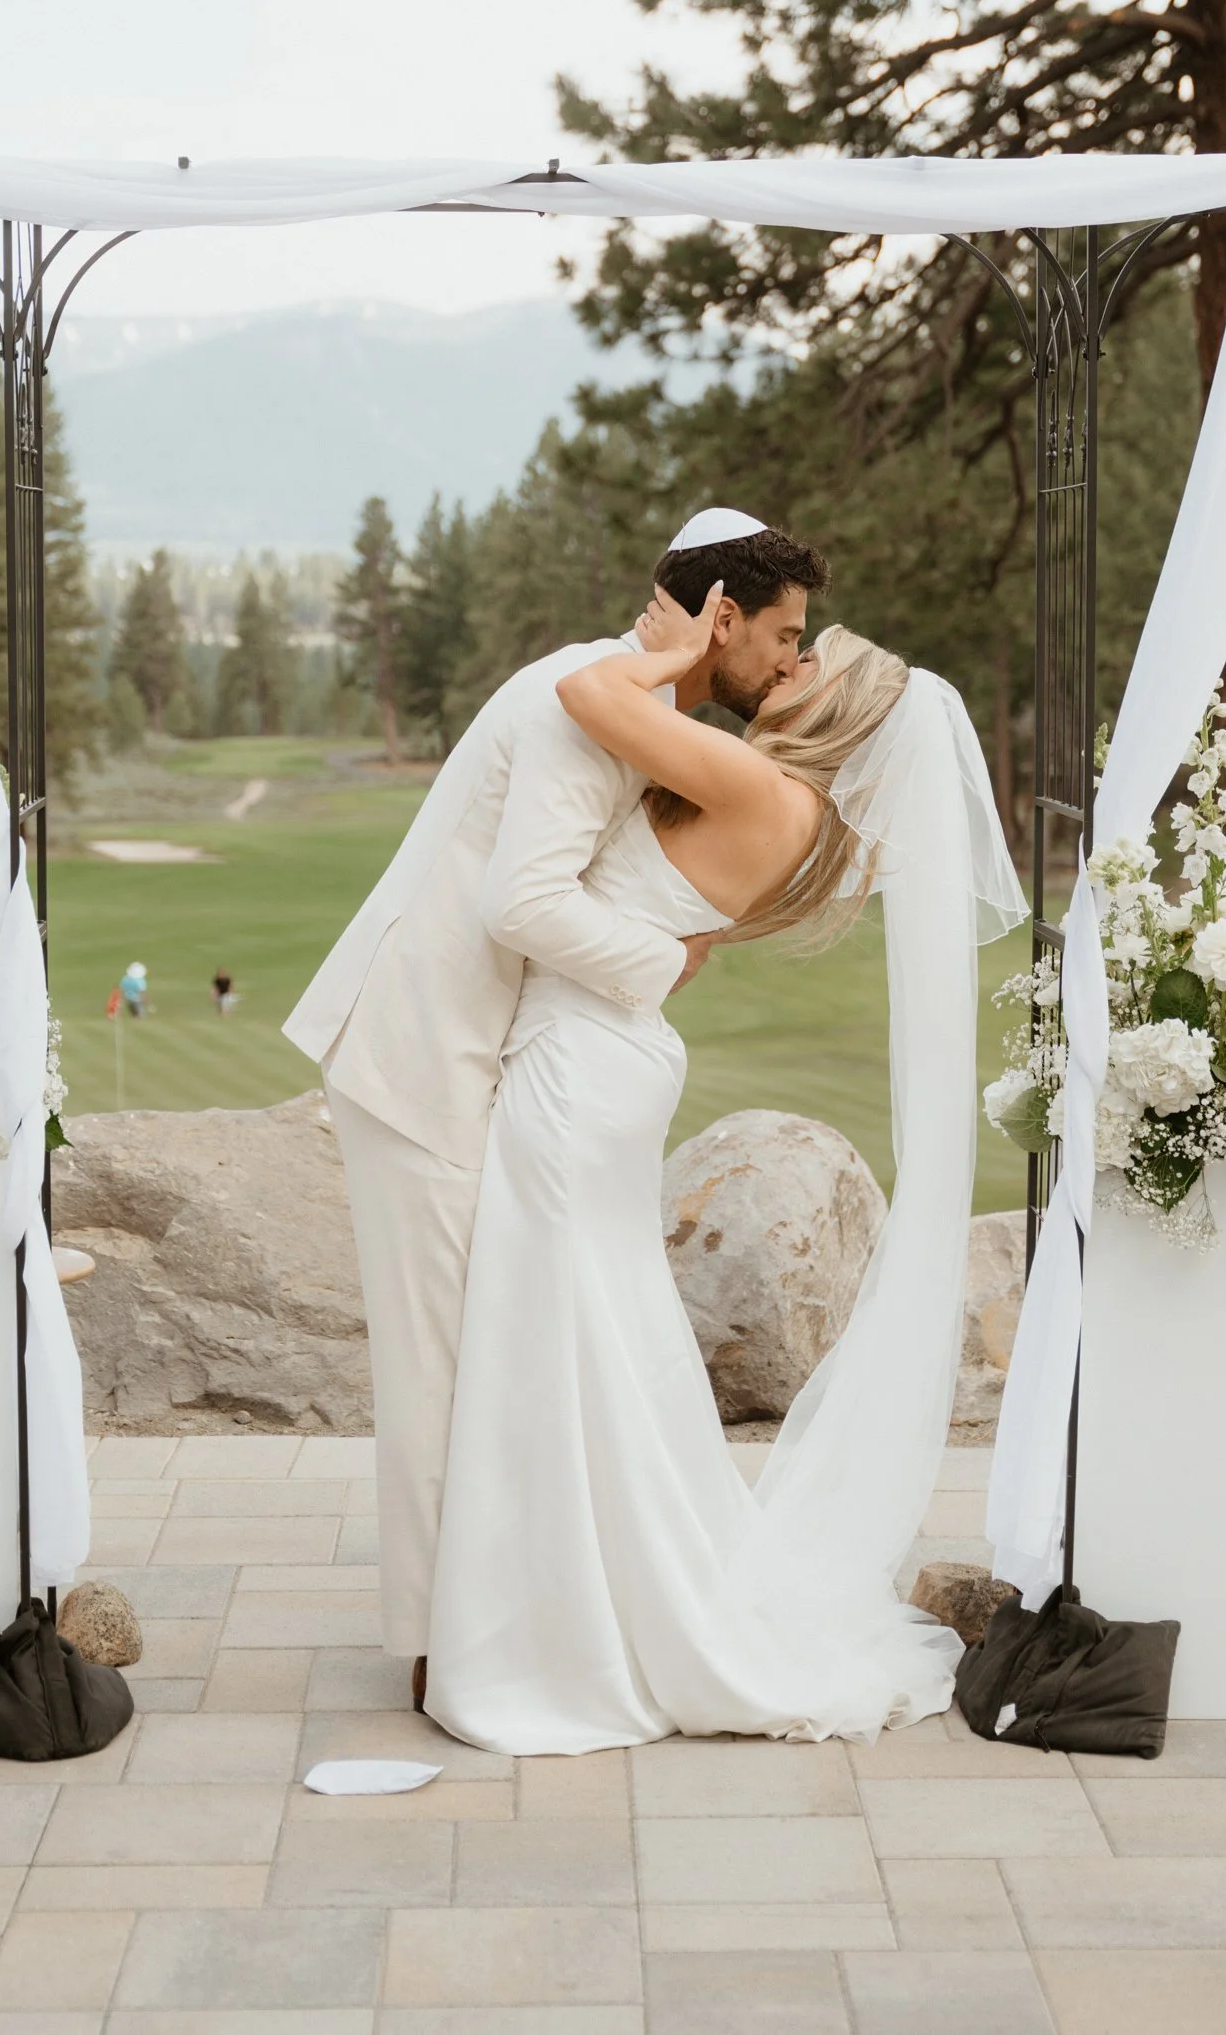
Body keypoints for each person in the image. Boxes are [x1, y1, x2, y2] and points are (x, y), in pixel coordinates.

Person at [422, 583, 1024, 1751]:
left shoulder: (755, 784)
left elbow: (587, 689)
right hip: (606, 1061)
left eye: (807, 665)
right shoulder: (782, 805)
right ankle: (589, 1609)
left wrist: (682, 645)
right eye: (790, 645)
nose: (781, 666)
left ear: (837, 720)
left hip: (581, 1075)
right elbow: (673, 945)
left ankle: (566, 1639)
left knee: (553, 1346)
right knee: (600, 1348)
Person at [283, 511, 831, 1706]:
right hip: (423, 1059)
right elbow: (519, 904)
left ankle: (487, 1626)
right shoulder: (591, 710)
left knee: (482, 1351)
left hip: (488, 1055)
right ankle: (443, 1660)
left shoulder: (628, 699)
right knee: (437, 1367)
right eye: (782, 634)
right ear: (719, 617)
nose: (792, 661)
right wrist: (659, 962)